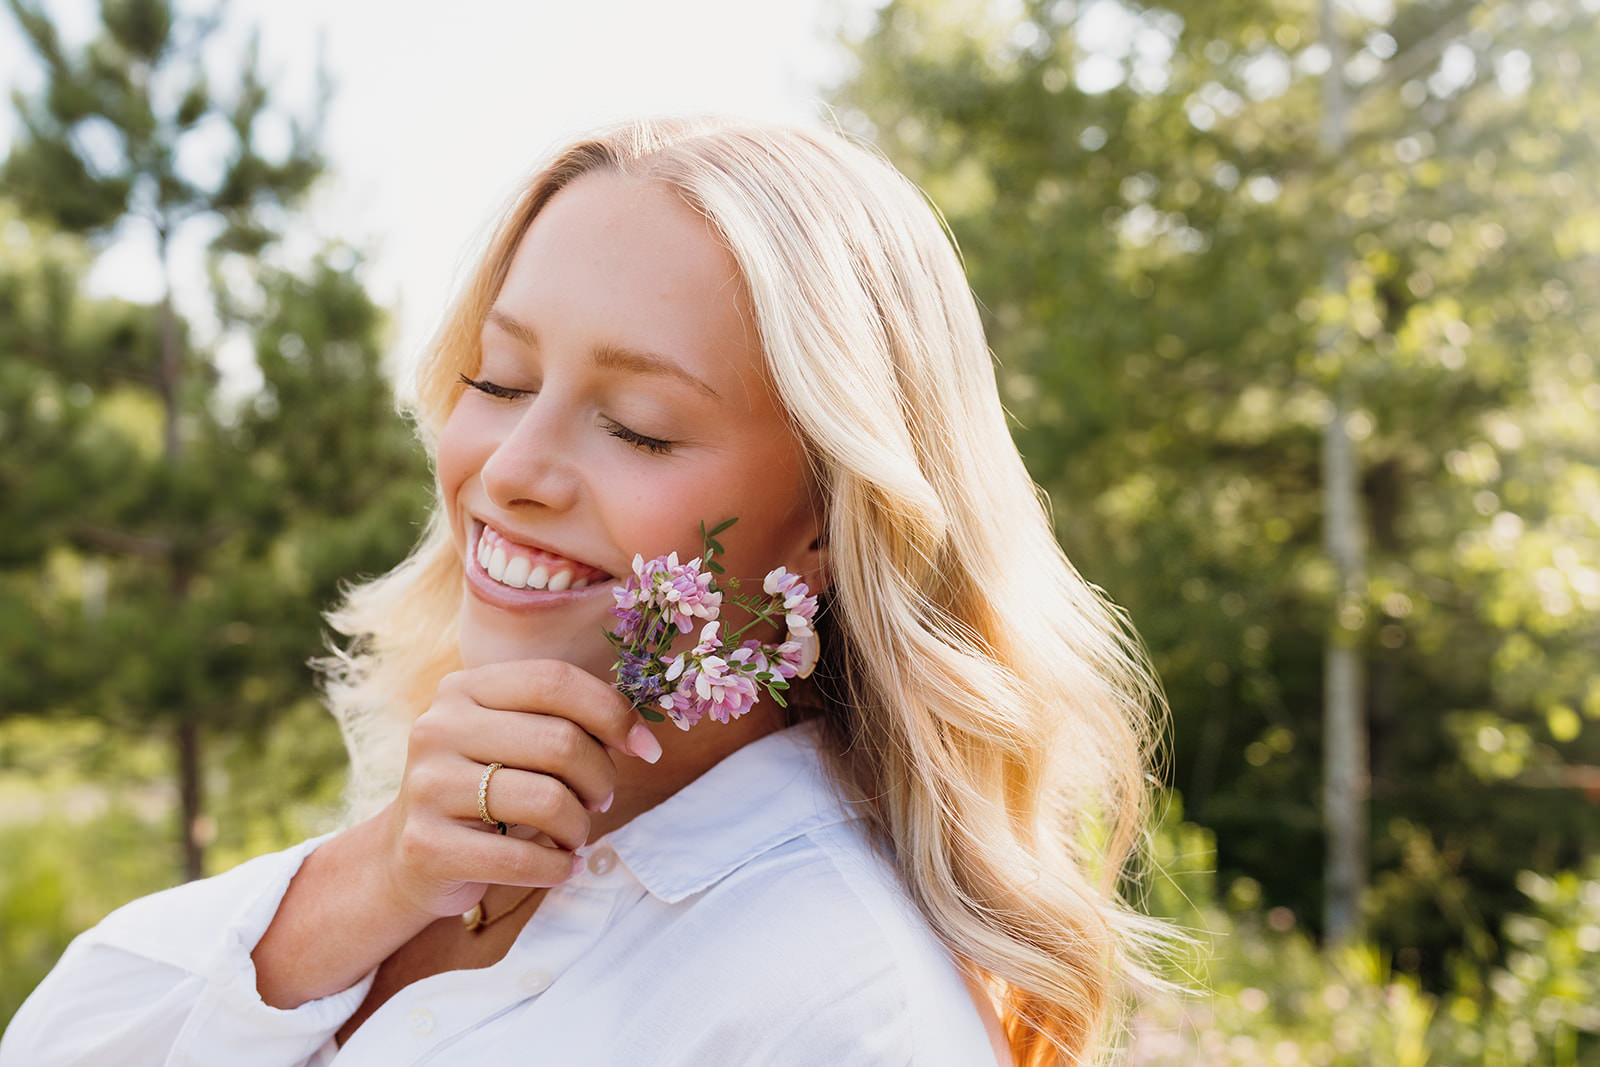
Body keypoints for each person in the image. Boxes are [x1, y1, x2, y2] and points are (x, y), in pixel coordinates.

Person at [0, 115, 1190, 1067]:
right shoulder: (410, 854)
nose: (509, 472)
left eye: (638, 426)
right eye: (500, 378)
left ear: (830, 523)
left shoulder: (841, 1007)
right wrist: (372, 882)